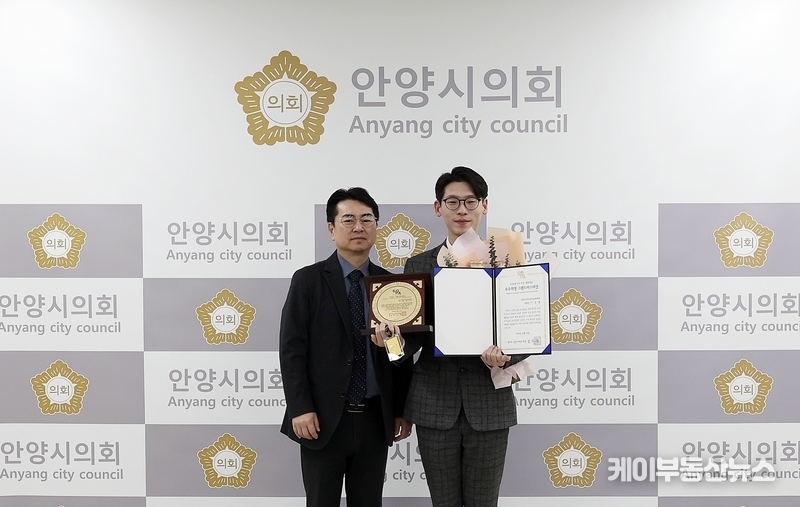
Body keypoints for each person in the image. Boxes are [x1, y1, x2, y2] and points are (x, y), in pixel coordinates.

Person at [372, 167, 527, 507]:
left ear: (484, 205)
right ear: (437, 207)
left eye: (470, 201)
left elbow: (525, 325)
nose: (462, 210)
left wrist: (507, 355)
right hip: (434, 405)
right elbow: (410, 339)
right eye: (452, 201)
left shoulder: (506, 260)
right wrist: (390, 341)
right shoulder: (419, 264)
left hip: (488, 404)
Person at [280, 187, 412, 507]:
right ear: (331, 228)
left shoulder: (392, 287)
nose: (358, 227)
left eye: (367, 219)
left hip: (374, 420)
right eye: (349, 219)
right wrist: (300, 408)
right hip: (322, 420)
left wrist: (400, 411)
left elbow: (400, 355)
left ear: (376, 226)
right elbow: (292, 350)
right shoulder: (308, 280)